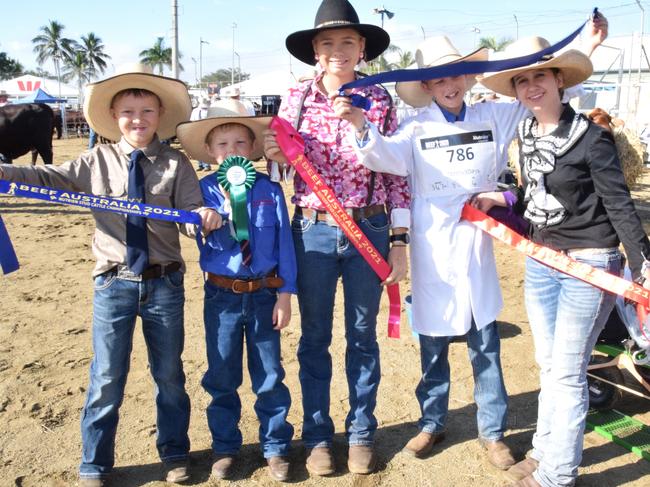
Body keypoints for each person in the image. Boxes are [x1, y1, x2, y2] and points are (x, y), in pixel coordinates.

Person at [346, 16, 608, 472]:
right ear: (426, 86)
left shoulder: (493, 115)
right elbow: (382, 155)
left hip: (478, 243)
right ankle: (432, 421)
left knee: (485, 340)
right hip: (431, 245)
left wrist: (587, 47)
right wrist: (359, 125)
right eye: (437, 78)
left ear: (468, 78)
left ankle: (493, 431)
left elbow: (546, 95)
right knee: (432, 342)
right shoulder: (415, 127)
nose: (448, 85)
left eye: (455, 75)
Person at [0, 64, 221, 487]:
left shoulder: (176, 164)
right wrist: (6, 173)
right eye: (127, 112)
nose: (137, 119)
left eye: (147, 111)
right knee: (106, 377)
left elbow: (191, 213)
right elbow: (48, 176)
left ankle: (175, 453)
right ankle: (95, 463)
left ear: (160, 115)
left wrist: (202, 219)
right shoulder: (95, 160)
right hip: (113, 282)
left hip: (165, 283)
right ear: (115, 116)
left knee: (170, 375)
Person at [476, 31, 650, 487]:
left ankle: (557, 473)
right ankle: (542, 451)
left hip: (590, 265)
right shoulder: (526, 133)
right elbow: (534, 193)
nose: (531, 87)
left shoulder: (592, 139)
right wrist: (502, 195)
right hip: (542, 262)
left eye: (540, 76)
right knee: (550, 365)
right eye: (522, 80)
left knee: (568, 371)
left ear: (559, 80)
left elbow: (619, 204)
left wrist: (643, 262)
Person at [263, 0, 410, 476]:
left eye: (347, 41)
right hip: (313, 231)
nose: (337, 51)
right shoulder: (295, 99)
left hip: (369, 227)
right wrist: (273, 155)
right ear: (314, 51)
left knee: (363, 337)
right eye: (327, 43)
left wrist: (400, 239)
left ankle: (363, 430)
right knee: (315, 338)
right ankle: (320, 436)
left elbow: (396, 174)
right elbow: (280, 170)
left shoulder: (381, 99)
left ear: (362, 47)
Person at [176, 99, 296, 482]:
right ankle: (225, 447)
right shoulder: (202, 193)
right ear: (211, 152)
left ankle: (276, 446)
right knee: (222, 374)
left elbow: (285, 247)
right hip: (222, 297)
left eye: (240, 143)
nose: (232, 151)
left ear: (253, 149)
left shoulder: (270, 191)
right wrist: (202, 222)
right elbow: (192, 232)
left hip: (264, 293)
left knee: (269, 374)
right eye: (223, 144)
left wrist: (284, 294)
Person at [190, 96, 212, 171]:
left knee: (202, 149)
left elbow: (191, 121)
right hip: (201, 131)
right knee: (200, 149)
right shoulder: (207, 111)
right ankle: (202, 165)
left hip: (202, 131)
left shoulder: (196, 111)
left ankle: (205, 165)